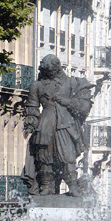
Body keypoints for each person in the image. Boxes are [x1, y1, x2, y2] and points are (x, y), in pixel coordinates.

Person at [22, 54, 94, 196]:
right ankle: (46, 186)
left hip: (65, 123)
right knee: (44, 156)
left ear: (58, 69)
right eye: (47, 71)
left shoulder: (71, 83)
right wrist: (30, 124)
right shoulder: (37, 86)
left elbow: (83, 105)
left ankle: (73, 186)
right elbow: (32, 107)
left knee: (67, 155)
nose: (50, 74)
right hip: (45, 123)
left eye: (52, 70)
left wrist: (67, 102)